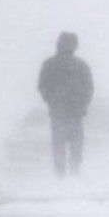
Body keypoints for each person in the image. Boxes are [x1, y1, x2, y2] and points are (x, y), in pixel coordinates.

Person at [37, 32, 94, 177]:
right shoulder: (81, 65)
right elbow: (89, 88)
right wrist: (83, 104)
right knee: (76, 143)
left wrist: (51, 101)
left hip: (59, 111)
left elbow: (43, 86)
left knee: (59, 143)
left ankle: (60, 173)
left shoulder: (49, 64)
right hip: (75, 111)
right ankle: (74, 171)